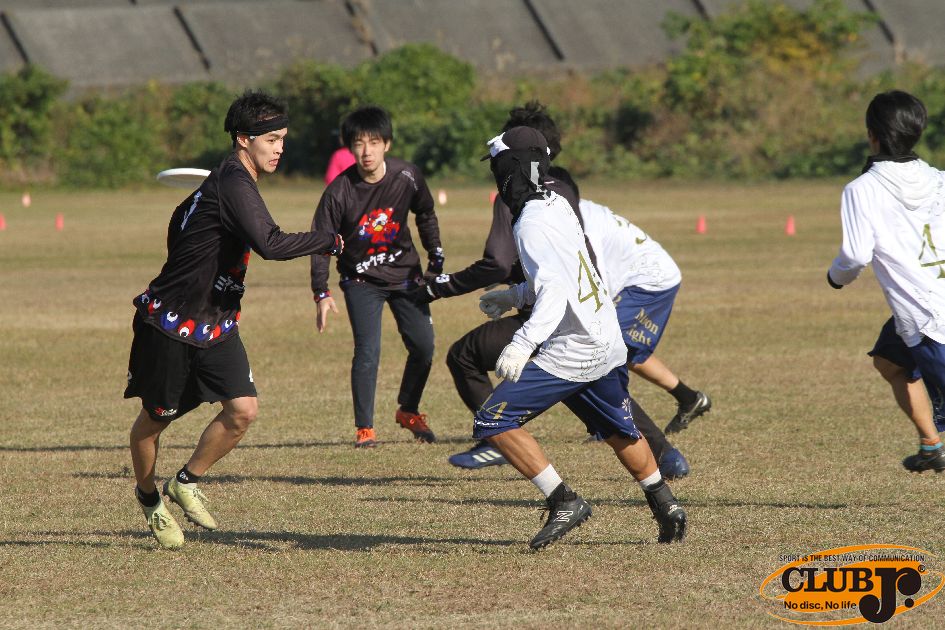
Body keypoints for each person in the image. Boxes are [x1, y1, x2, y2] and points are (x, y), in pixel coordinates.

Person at [421, 102, 691, 478]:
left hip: (548, 315)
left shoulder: (515, 197)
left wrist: (443, 287)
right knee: (599, 386)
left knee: (464, 356)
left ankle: (497, 440)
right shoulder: (563, 187)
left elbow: (497, 262)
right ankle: (665, 457)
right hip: (590, 309)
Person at [125, 90, 344, 549]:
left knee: (243, 410)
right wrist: (329, 240)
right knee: (154, 421)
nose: (280, 148)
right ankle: (149, 499)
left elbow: (178, 221)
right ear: (244, 139)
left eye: (283, 139)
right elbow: (270, 243)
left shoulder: (229, 180)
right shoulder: (234, 183)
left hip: (216, 322)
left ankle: (184, 482)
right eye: (271, 139)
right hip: (170, 325)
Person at [474, 125, 687, 549]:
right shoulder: (555, 203)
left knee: (492, 420)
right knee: (618, 430)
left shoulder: (530, 222)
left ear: (511, 169)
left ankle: (564, 501)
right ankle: (667, 506)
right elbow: (568, 273)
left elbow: (554, 289)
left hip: (574, 349)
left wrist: (522, 343)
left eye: (498, 167)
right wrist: (514, 295)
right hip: (606, 339)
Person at [311, 105, 443, 448]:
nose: (366, 151)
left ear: (387, 143)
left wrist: (436, 258)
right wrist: (321, 292)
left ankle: (408, 410)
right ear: (349, 148)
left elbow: (426, 213)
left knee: (424, 347)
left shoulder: (407, 176)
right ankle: (365, 429)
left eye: (373, 142)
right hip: (361, 280)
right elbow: (322, 243)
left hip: (406, 275)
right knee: (368, 351)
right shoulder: (339, 192)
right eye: (358, 143)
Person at [827, 89, 945, 473]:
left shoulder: (861, 189)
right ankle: (931, 445)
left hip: (927, 318)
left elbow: (854, 256)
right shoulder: (939, 179)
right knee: (890, 361)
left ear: (872, 134)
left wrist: (835, 277)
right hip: (925, 305)